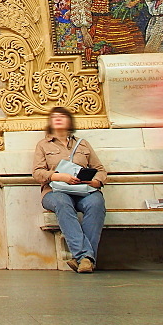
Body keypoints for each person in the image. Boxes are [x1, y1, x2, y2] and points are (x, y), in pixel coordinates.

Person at [33, 107, 107, 273]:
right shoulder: (43, 145)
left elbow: (100, 169)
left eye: (62, 116)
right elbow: (37, 173)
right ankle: (85, 257)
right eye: (55, 116)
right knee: (62, 202)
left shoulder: (83, 144)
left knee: (96, 202)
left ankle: (83, 259)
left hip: (83, 190)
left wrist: (95, 181)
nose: (58, 119)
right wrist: (58, 177)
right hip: (54, 192)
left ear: (69, 121)